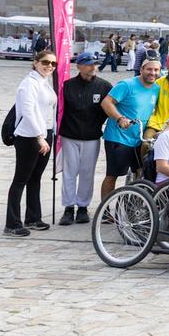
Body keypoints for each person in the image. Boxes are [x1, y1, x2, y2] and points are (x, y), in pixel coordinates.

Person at [5, 51, 59, 237]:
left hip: (46, 133)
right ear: (35, 62)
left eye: (53, 63)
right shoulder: (29, 84)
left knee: (35, 177)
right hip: (30, 136)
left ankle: (33, 217)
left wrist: (51, 133)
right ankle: (12, 223)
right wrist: (39, 137)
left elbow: (48, 110)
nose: (49, 66)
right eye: (45, 62)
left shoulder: (44, 82)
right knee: (21, 179)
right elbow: (27, 111)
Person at [57, 52, 112, 226]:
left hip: (92, 135)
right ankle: (68, 207)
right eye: (88, 64)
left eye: (94, 64)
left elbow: (109, 109)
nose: (92, 67)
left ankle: (82, 207)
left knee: (87, 172)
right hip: (69, 134)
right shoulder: (67, 85)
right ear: (79, 66)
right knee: (69, 172)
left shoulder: (104, 86)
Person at [100, 57, 162, 201]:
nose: (152, 73)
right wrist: (120, 118)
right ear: (141, 69)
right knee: (113, 174)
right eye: (149, 69)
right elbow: (106, 102)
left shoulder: (157, 88)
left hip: (139, 138)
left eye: (156, 70)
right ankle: (105, 209)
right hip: (119, 136)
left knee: (140, 172)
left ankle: (132, 205)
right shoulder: (127, 85)